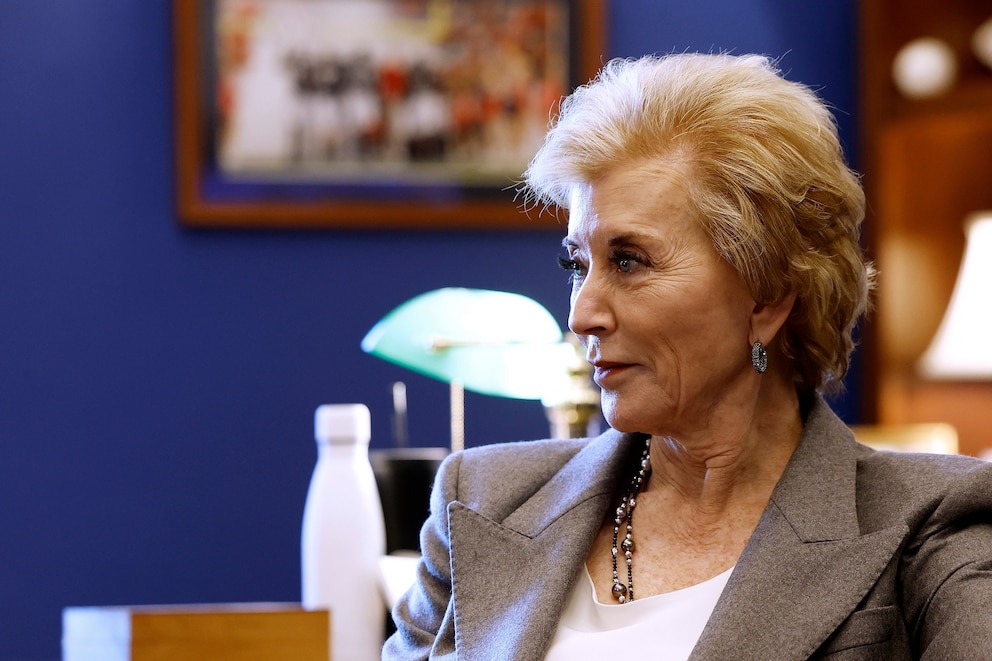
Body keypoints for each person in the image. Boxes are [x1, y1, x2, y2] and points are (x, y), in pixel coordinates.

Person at [382, 53, 992, 660]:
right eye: (577, 264)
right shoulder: (481, 502)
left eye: (629, 261)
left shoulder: (931, 528)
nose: (581, 313)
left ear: (769, 295)